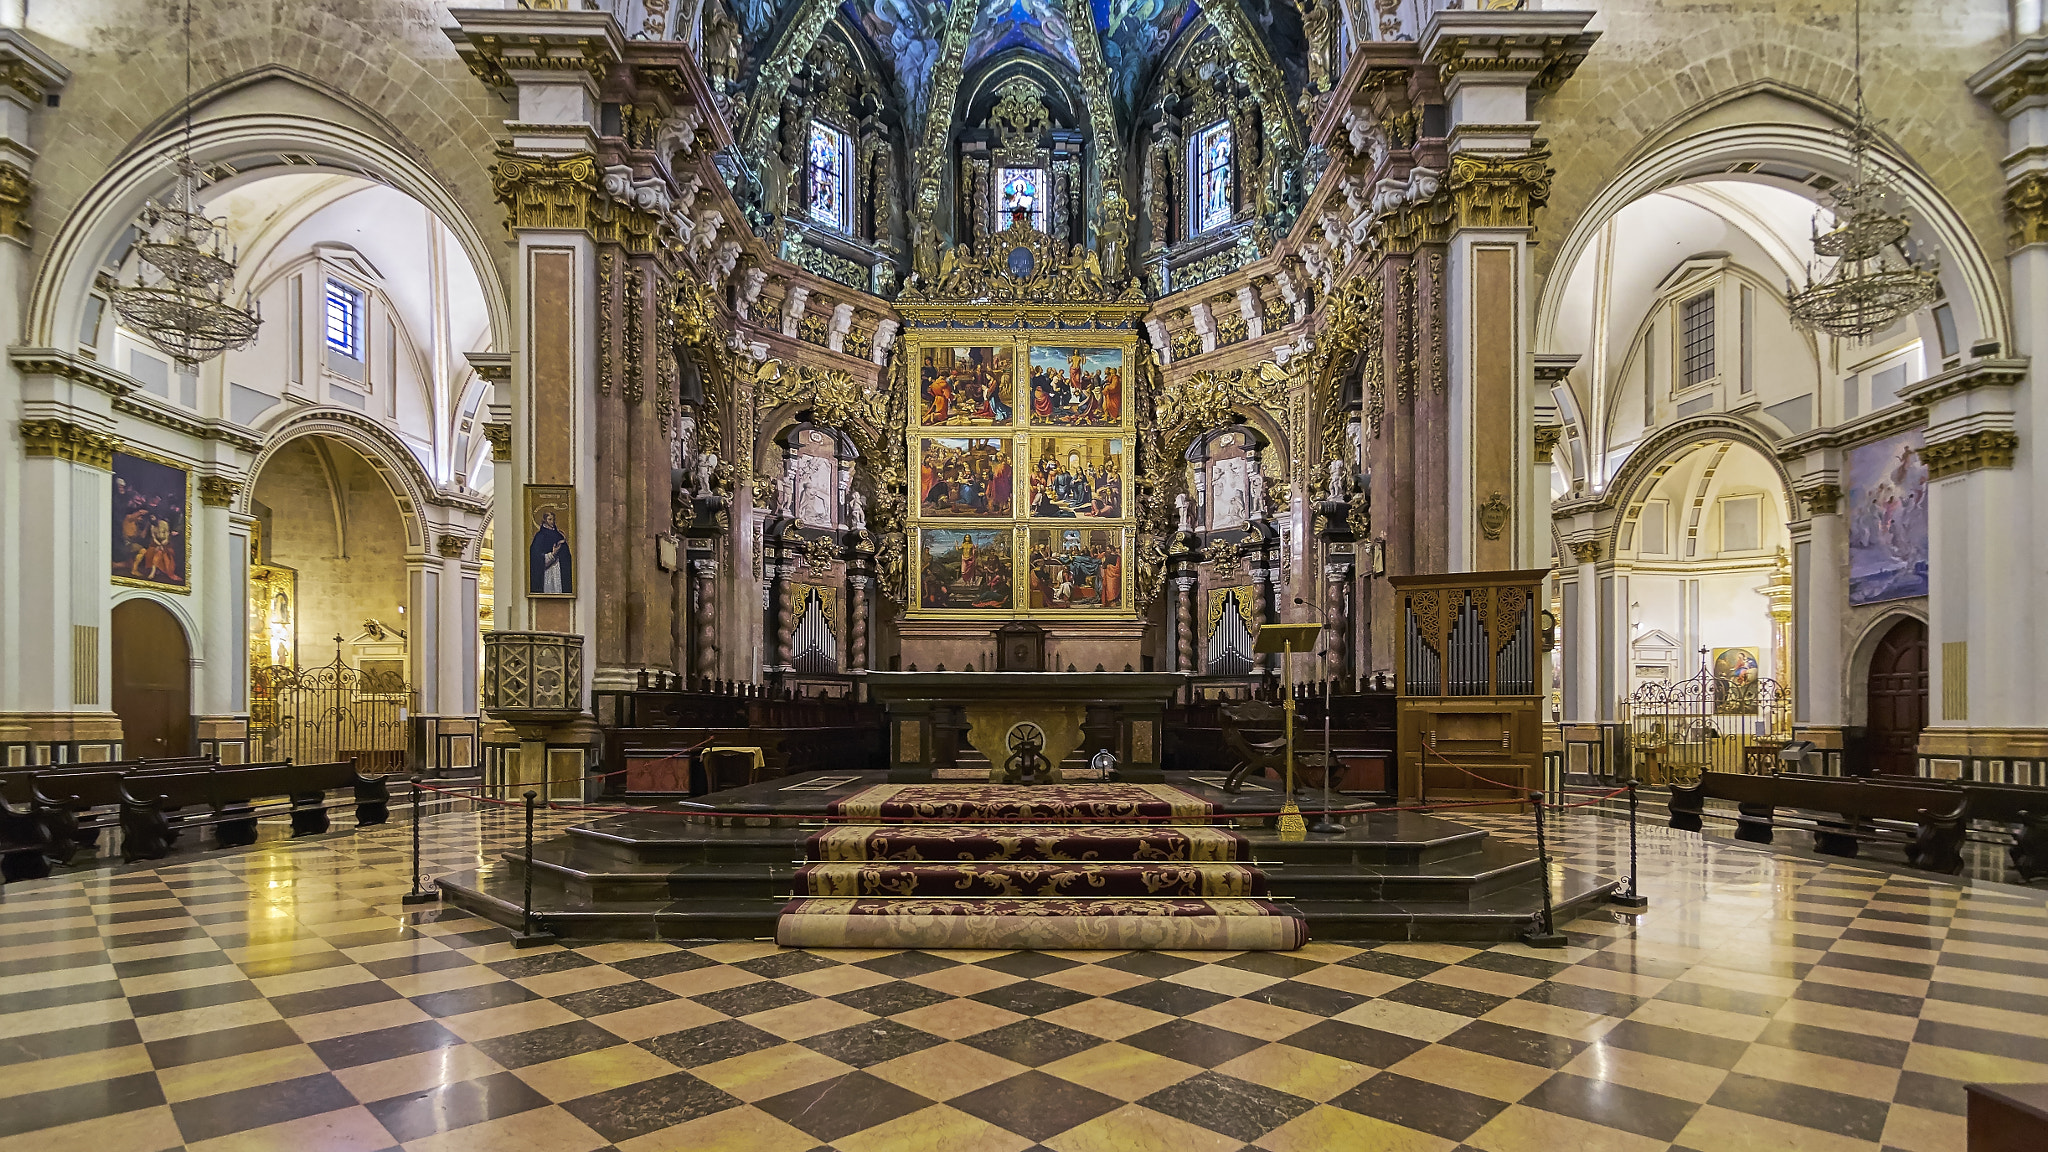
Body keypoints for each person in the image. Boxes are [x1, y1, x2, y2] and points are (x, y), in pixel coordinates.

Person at [530, 509, 572, 595]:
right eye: (550, 519)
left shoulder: (559, 535)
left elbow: (566, 555)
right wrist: (552, 554)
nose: (552, 521)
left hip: (559, 570)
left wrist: (562, 549)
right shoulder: (540, 536)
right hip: (547, 572)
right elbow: (535, 557)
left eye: (553, 519)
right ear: (545, 520)